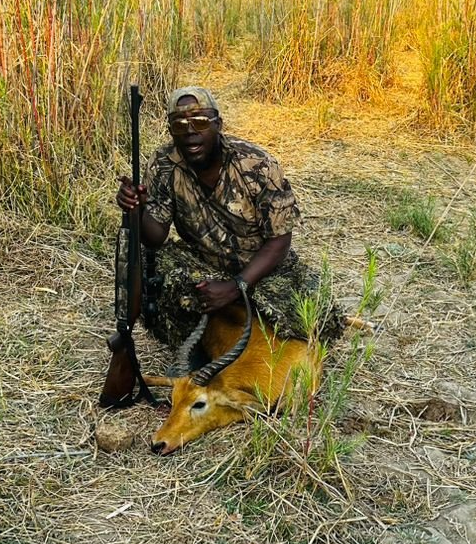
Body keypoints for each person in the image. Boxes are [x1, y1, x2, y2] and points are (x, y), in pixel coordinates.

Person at [115, 86, 342, 352]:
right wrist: (136, 208)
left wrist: (236, 287)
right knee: (145, 268)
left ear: (218, 124)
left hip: (263, 270)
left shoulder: (257, 164)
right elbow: (155, 237)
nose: (190, 132)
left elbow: (280, 241)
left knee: (317, 317)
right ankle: (200, 345)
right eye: (179, 125)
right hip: (205, 265)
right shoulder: (164, 163)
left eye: (200, 122)